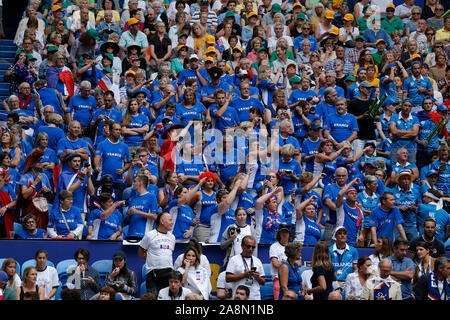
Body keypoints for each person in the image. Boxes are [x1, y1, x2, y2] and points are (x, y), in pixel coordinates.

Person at [139, 212, 175, 296]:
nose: (172, 222)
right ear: (162, 221)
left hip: (169, 274)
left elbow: (169, 254)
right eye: (170, 220)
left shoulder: (172, 237)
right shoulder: (150, 235)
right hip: (153, 275)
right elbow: (141, 252)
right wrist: (152, 261)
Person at [225, 235, 265, 300]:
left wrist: (257, 277)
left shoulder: (258, 261)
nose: (251, 249)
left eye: (253, 247)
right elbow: (228, 278)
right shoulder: (234, 259)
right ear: (242, 246)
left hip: (254, 297)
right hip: (239, 297)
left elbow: (263, 282)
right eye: (248, 246)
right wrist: (244, 275)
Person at [268, 223, 291, 300]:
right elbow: (275, 264)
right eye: (282, 232)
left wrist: (283, 262)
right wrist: (290, 262)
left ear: (289, 233)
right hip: (278, 279)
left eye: (286, 232)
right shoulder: (274, 246)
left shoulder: (292, 247)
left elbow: (299, 263)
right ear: (279, 233)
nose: (284, 234)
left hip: (291, 279)